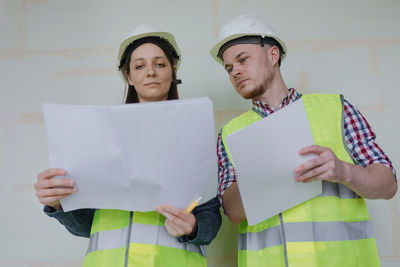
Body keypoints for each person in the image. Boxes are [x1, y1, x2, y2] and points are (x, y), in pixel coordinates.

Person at [210, 14, 397, 267]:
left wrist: (344, 171)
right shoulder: (230, 133)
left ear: (273, 55)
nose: (236, 72)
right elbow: (232, 212)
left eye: (243, 59)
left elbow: (388, 185)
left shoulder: (335, 108)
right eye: (229, 68)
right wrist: (259, 169)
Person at [34, 25, 221, 267]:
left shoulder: (195, 134)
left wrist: (194, 227)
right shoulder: (99, 138)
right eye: (140, 66)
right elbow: (87, 225)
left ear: (173, 72)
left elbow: (211, 216)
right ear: (129, 77)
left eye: (160, 64)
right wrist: (58, 203)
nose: (151, 72)